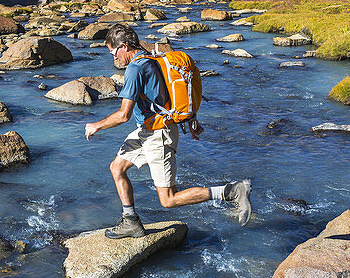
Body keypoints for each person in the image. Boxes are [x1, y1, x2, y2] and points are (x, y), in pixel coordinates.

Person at [84, 23, 253, 239]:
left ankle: (232, 191)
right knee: (117, 168)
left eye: (114, 52)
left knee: (168, 199)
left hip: (159, 134)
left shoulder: (135, 69)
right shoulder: (148, 56)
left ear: (124, 46)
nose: (114, 58)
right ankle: (131, 222)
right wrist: (191, 119)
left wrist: (96, 125)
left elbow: (123, 115)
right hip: (147, 130)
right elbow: (168, 92)